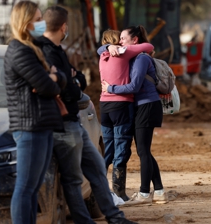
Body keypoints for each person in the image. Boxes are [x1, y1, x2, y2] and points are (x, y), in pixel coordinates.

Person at [38, 6, 137, 224]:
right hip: (60, 123)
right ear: (64, 26)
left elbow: (79, 79)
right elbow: (67, 87)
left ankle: (114, 217)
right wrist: (71, 82)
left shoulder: (58, 49)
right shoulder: (44, 51)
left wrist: (71, 80)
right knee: (74, 179)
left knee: (95, 170)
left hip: (74, 121)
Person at [3, 1, 65, 223]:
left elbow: (60, 79)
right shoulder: (19, 50)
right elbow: (49, 86)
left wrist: (55, 77)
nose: (42, 24)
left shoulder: (35, 48)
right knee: (25, 187)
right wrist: (53, 78)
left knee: (34, 187)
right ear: (26, 22)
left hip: (41, 125)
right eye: (38, 19)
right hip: (30, 127)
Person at [100, 25, 168, 205]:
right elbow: (101, 49)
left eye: (123, 38)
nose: (120, 42)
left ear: (134, 40)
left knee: (143, 151)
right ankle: (159, 190)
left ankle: (144, 193)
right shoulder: (131, 56)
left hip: (147, 106)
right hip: (141, 107)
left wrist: (111, 89)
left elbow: (134, 87)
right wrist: (107, 47)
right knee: (144, 151)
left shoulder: (141, 58)